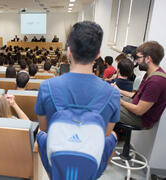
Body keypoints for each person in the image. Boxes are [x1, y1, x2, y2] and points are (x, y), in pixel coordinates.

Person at [35, 21, 120, 178]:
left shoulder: (46, 87)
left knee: (40, 134)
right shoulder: (112, 94)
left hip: (55, 163)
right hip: (90, 165)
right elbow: (104, 136)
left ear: (69, 51)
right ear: (98, 54)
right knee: (113, 136)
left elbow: (45, 130)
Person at [113, 41, 166, 129]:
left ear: (148, 59)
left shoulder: (156, 82)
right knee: (109, 98)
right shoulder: (149, 74)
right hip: (137, 108)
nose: (137, 61)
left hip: (142, 119)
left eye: (139, 58)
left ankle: (108, 138)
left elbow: (139, 110)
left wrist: (120, 101)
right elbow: (137, 96)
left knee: (107, 106)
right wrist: (119, 90)